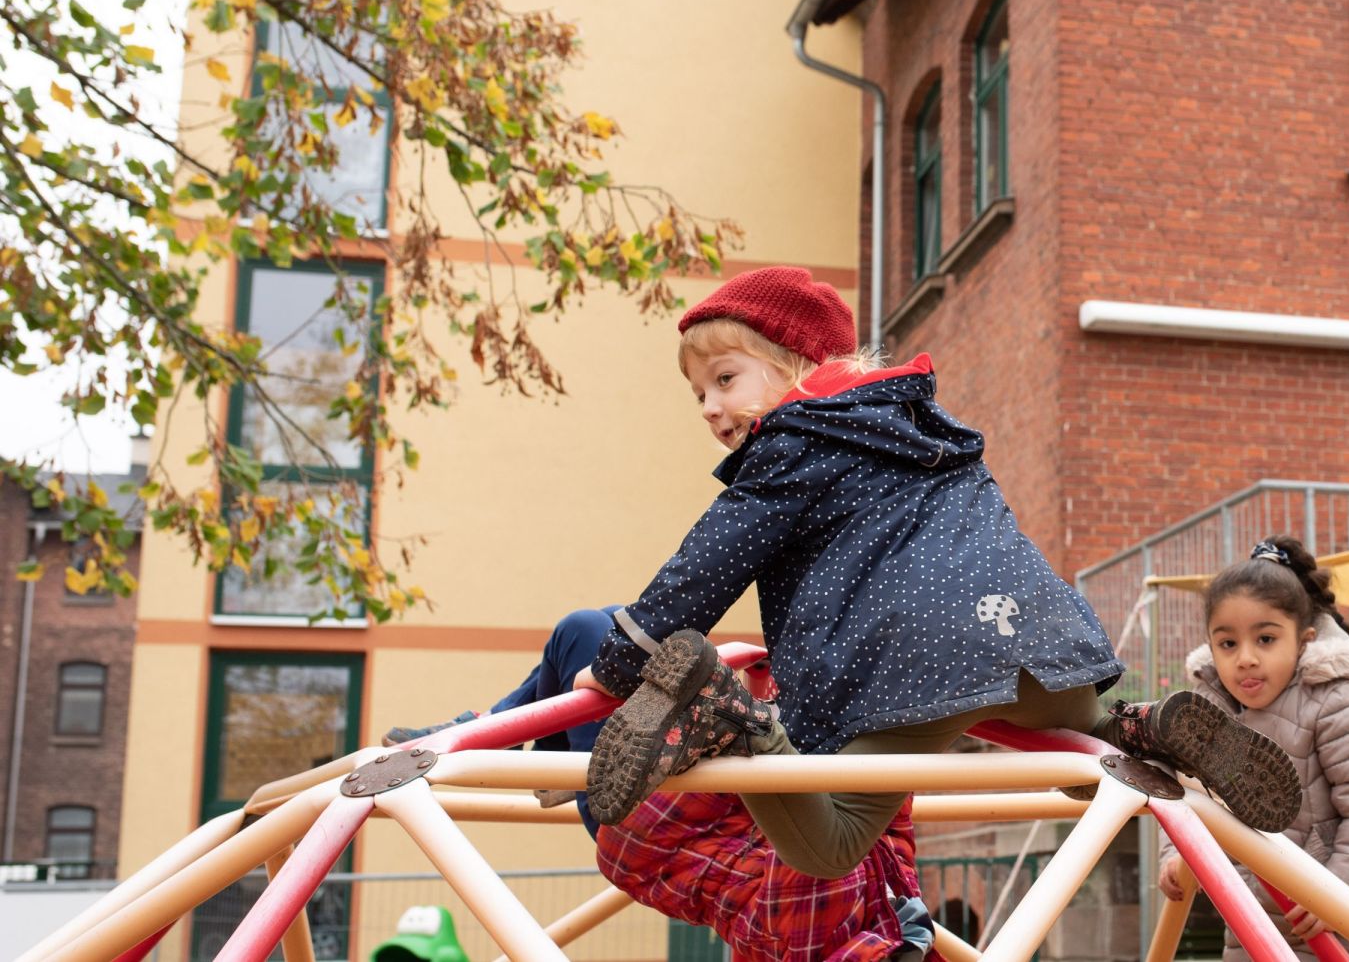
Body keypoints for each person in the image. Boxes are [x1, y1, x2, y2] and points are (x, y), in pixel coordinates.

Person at [571, 266, 1302, 883]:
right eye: (698, 393)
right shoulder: (926, 428)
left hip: (918, 667)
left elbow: (707, 564)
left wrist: (621, 663)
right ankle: (1142, 726)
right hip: (1042, 644)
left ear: (795, 363)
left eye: (725, 379)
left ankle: (730, 719)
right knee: (1087, 756)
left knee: (829, 844)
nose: (710, 406)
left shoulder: (794, 442)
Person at [382, 605, 935, 960]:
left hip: (644, 819)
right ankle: (521, 742)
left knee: (589, 634)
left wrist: (743, 716)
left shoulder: (808, 930)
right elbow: (887, 795)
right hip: (682, 792)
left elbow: (781, 798)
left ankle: (498, 734)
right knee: (619, 631)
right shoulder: (894, 904)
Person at [1158, 536, 1349, 961]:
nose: (1246, 659)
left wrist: (1335, 898)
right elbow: (1181, 793)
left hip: (1347, 925)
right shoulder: (1206, 712)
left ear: (1303, 640)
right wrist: (1172, 853)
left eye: (1266, 640)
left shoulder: (1335, 700)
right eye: (1228, 644)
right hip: (1252, 924)